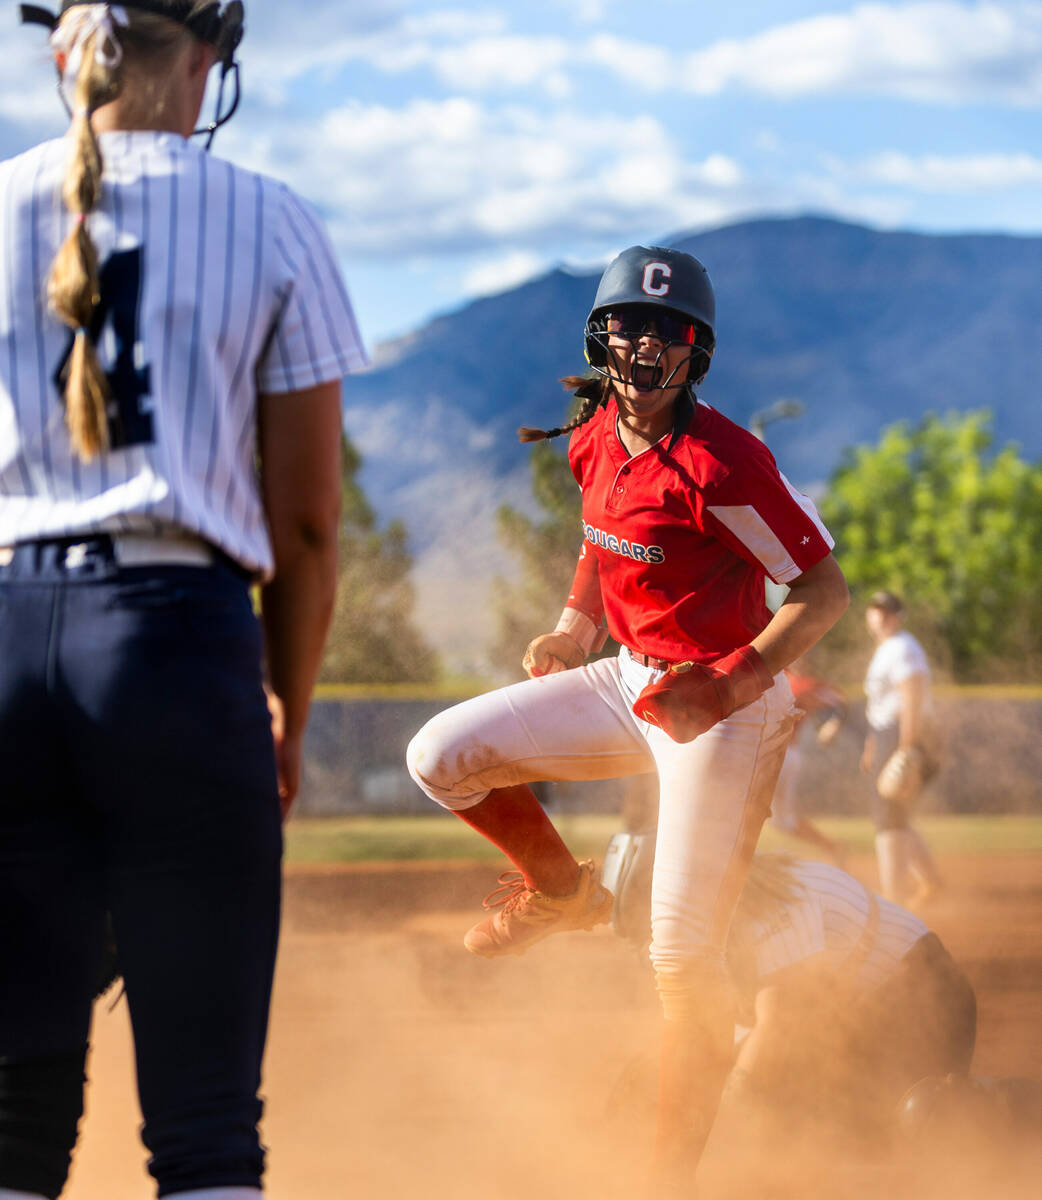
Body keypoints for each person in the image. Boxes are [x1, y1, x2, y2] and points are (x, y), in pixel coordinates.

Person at [0, 5, 367, 1199]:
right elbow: (308, 522)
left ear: (68, 50)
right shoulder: (268, 216)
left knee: (10, 1116)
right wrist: (287, 709)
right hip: (172, 641)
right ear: (208, 60)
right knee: (206, 1126)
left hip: (4, 635)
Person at [406, 244, 849, 1184]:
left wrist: (731, 683)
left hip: (725, 706)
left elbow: (822, 589)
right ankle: (565, 894)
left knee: (683, 959)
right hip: (628, 679)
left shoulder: (723, 462)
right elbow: (602, 546)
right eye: (631, 323)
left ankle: (666, 1181)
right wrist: (572, 631)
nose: (648, 343)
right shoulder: (594, 434)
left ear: (698, 353)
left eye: (671, 329)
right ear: (600, 335)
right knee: (439, 754)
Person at [604, 850, 977, 1146]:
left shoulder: (770, 904)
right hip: (869, 1018)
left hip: (927, 1009)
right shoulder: (730, 912)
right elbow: (733, 1040)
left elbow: (779, 1024)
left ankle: (1000, 1108)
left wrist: (728, 1121)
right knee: (788, 1106)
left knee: (908, 1122)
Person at [861, 590, 944, 907]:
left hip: (902, 733)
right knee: (895, 814)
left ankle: (892, 899)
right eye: (875, 609)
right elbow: (880, 704)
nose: (881, 615)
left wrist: (907, 748)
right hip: (886, 733)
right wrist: (872, 745)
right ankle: (930, 881)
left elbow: (913, 696)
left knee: (888, 816)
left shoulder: (903, 647)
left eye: (887, 610)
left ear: (898, 616)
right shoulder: (885, 649)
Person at [769, 665, 848, 865]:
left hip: (781, 756)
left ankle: (741, 865)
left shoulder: (800, 683)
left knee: (754, 811)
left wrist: (835, 722)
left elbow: (840, 702)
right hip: (777, 756)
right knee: (782, 822)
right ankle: (832, 847)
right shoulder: (777, 676)